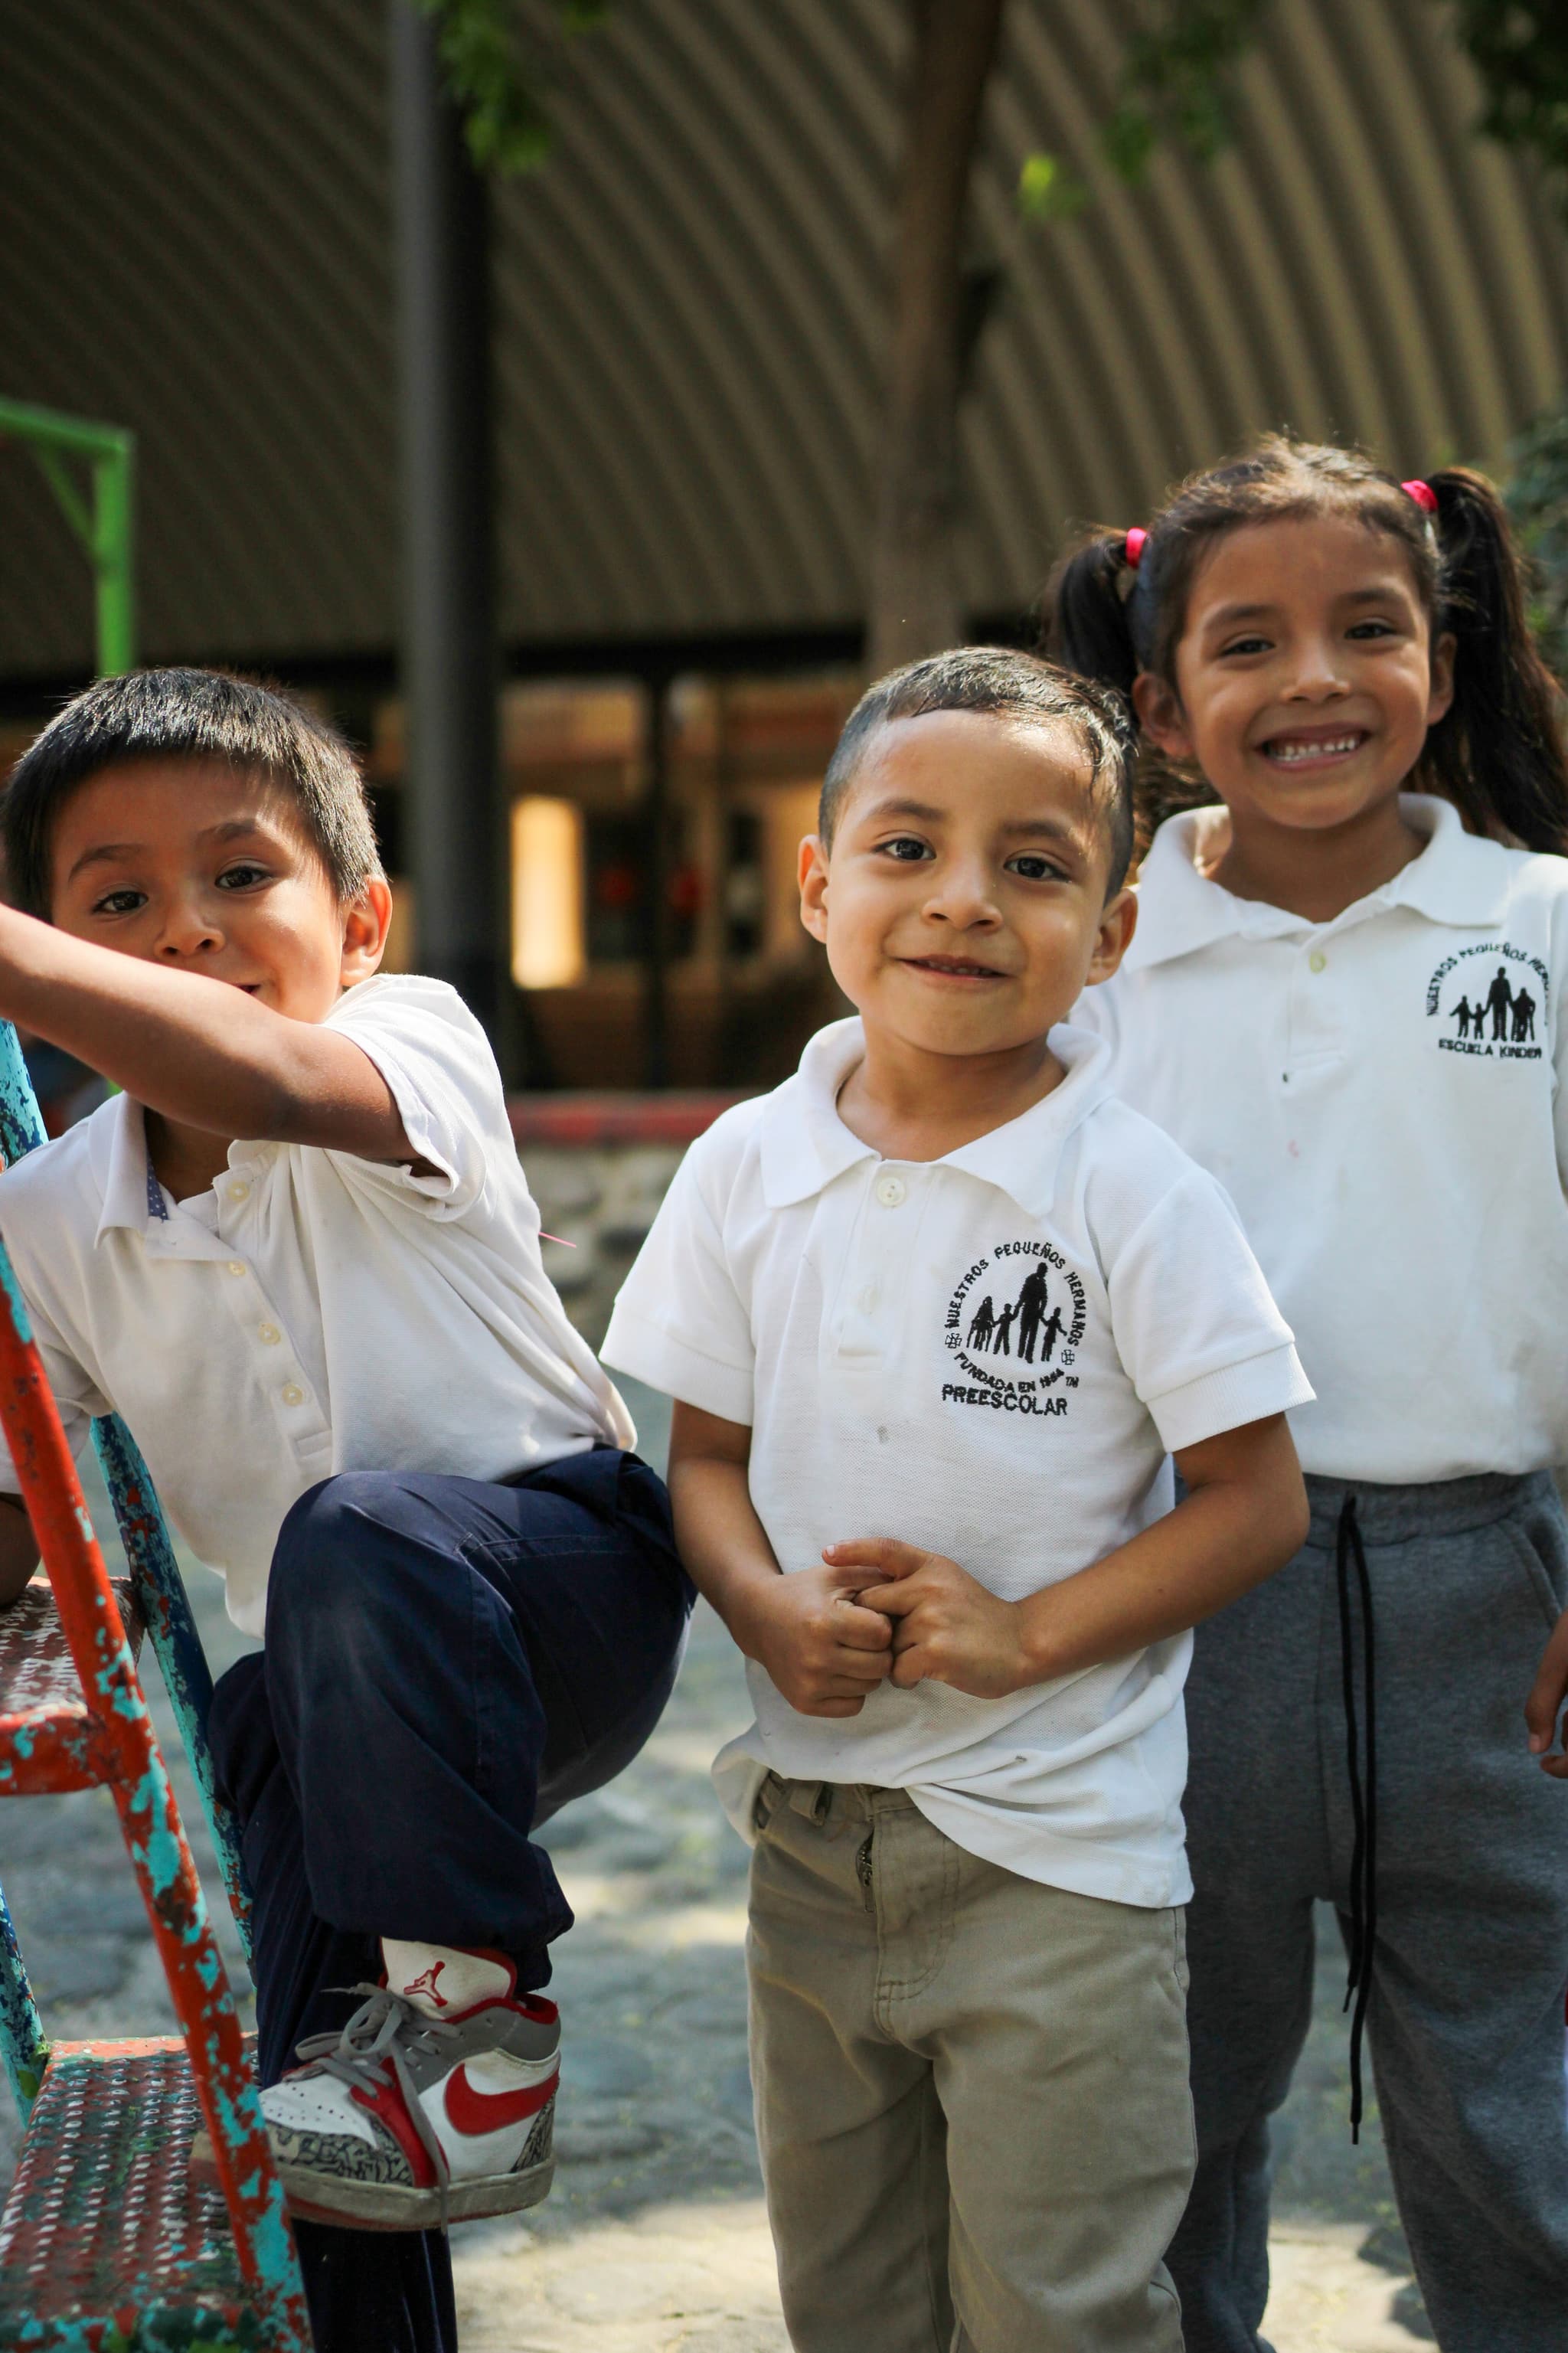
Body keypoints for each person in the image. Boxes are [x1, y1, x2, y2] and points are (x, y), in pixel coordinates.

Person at [603, 648, 1314, 2353]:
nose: (963, 904)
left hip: (1063, 1862)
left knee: (1057, 2314)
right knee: (848, 2304)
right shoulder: (743, 1165)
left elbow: (1252, 1498)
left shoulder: (1133, 1190)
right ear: (816, 882)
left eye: (1037, 865)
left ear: (1114, 931)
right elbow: (698, 1460)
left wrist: (1024, 1634)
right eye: (908, 848)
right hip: (810, 1842)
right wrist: (760, 1610)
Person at [0, 670, 692, 2353]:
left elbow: (257, 1080)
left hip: (564, 1589)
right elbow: (17, 1516)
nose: (189, 930)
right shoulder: (50, 1215)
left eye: (242, 878)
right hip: (343, 1696)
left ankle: (480, 2038)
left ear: (361, 920)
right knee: (306, 2086)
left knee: (349, 1532)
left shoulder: (404, 1046)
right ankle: (379, 2202)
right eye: (121, 901)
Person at [1047, 433, 1568, 2353]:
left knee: (1519, 2084)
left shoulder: (1546, 932)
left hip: (1498, 1599)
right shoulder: (1091, 960)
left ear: (1444, 653)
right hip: (1176, 1597)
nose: (1315, 681)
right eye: (1245, 644)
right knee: (1167, 2078)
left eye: (1367, 628)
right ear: (1163, 707)